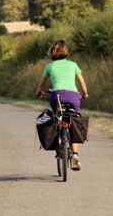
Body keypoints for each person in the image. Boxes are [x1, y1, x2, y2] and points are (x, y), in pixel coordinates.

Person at [35, 40, 89, 170]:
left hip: (56, 96)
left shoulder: (50, 67)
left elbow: (41, 84)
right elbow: (82, 82)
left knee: (56, 119)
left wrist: (39, 92)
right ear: (66, 52)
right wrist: (85, 94)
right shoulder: (73, 65)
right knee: (74, 121)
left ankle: (59, 145)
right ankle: (75, 155)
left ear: (52, 53)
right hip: (73, 96)